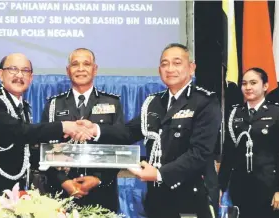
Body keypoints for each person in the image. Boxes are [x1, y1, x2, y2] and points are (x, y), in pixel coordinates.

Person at [78, 43, 221, 218]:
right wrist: (95, 129)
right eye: (164, 64)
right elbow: (128, 132)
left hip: (192, 195)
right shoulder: (154, 102)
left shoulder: (205, 102)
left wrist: (160, 174)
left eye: (177, 63)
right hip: (158, 197)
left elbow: (200, 153)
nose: (170, 69)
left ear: (191, 68)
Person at [0, 53, 93, 207]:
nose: (19, 75)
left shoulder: (24, 108)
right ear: (0, 74)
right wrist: (63, 126)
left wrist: (56, 157)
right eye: (13, 69)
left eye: (25, 71)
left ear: (31, 78)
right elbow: (16, 131)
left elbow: (24, 151)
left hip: (15, 192)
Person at [41, 48, 124, 212]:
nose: (80, 69)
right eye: (75, 64)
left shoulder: (112, 103)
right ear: (67, 70)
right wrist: (63, 181)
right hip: (61, 194)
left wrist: (97, 179)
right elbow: (44, 149)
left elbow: (119, 145)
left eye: (86, 64)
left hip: (102, 193)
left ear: (95, 69)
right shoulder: (53, 105)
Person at [219, 67, 279, 218]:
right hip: (240, 186)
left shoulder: (277, 113)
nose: (248, 87)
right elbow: (228, 154)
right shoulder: (234, 114)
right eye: (244, 83)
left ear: (265, 86)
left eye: (253, 83)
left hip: (268, 187)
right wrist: (220, 186)